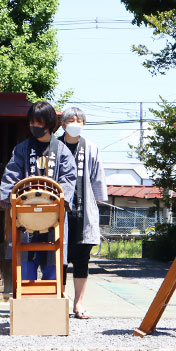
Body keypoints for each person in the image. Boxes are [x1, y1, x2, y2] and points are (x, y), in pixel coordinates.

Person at [0, 101, 77, 282]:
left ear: (49, 124)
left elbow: (68, 178)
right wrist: (9, 196)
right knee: (25, 261)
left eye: (39, 122)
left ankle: (50, 295)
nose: (34, 126)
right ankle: (25, 295)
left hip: (53, 215)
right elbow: (11, 175)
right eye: (32, 122)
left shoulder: (62, 151)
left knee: (52, 261)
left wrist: (60, 201)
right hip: (25, 213)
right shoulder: (22, 149)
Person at [58, 107, 108, 319]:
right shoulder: (54, 146)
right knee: (59, 257)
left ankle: (78, 303)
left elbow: (97, 177)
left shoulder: (91, 147)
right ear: (63, 124)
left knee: (82, 259)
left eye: (79, 121)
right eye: (71, 120)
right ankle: (60, 300)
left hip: (84, 210)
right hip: (59, 210)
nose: (75, 123)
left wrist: (97, 205)